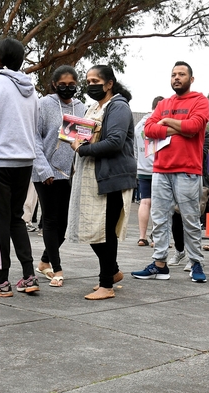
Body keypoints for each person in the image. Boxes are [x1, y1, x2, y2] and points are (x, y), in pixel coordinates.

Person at [131, 61, 209, 283]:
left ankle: (196, 263)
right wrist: (175, 126)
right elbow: (148, 130)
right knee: (159, 218)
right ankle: (159, 264)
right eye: (174, 74)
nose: (177, 77)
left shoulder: (200, 101)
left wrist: (165, 124)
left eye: (182, 74)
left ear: (191, 79)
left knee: (190, 219)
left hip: (187, 169)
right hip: (160, 169)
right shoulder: (163, 103)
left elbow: (194, 127)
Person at [0, 37, 40, 296]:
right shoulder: (32, 89)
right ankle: (29, 275)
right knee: (16, 218)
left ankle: (2, 279)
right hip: (24, 160)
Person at [68, 65, 137, 300]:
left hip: (111, 178)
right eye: (88, 81)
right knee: (95, 229)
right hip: (91, 177)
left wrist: (83, 149)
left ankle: (106, 285)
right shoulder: (93, 107)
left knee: (104, 232)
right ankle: (112, 272)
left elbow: (115, 141)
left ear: (109, 84)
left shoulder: (118, 106)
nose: (91, 85)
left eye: (96, 81)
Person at [32, 65, 86, 287]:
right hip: (45, 173)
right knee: (51, 220)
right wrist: (44, 170)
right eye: (62, 85)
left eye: (71, 85)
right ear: (54, 84)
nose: (67, 88)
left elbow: (84, 137)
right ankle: (57, 268)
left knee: (64, 225)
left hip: (68, 173)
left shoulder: (80, 107)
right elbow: (34, 138)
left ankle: (45, 261)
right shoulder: (43, 104)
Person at [134, 95, 165, 247]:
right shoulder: (159, 122)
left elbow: (134, 149)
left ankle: (142, 236)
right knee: (160, 204)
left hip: (142, 167)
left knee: (145, 202)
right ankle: (156, 239)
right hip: (159, 168)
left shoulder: (139, 124)